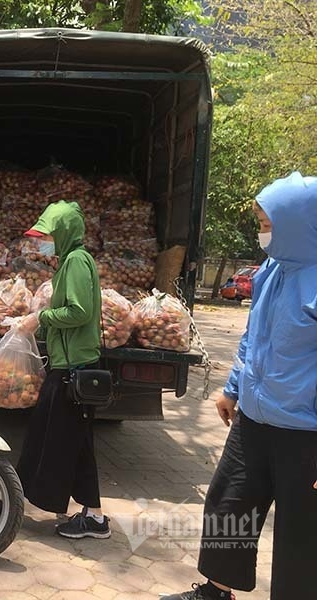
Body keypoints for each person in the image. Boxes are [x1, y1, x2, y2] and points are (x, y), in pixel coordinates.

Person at [162, 172, 317, 600]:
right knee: (229, 506)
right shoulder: (271, 270)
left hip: (306, 435)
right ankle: (216, 591)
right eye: (262, 223)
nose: (262, 233)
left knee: (301, 534)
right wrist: (232, 388)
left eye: (269, 225)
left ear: (300, 224)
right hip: (253, 419)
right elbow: (252, 337)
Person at [15, 200, 109, 539]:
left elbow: (79, 312)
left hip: (73, 368)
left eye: (47, 235)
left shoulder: (76, 262)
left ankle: (16, 500)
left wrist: (41, 317)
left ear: (64, 232)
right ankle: (94, 518)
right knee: (77, 443)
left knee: (47, 439)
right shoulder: (70, 261)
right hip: (70, 365)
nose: (43, 243)